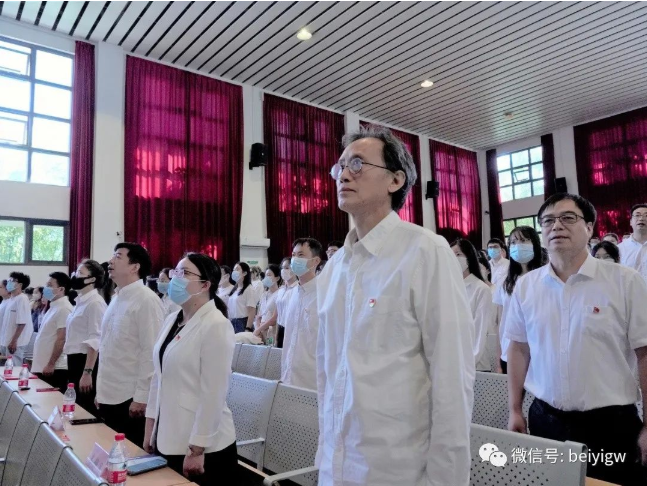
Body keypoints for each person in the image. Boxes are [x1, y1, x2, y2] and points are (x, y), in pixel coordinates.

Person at [317, 126, 474, 485]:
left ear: (395, 180)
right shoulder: (335, 268)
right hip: (337, 466)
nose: (343, 174)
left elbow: (452, 376)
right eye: (340, 166)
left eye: (358, 164)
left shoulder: (425, 251)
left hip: (397, 470)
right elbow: (329, 375)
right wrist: (325, 457)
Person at [506, 193, 647, 484]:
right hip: (546, 420)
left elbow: (645, 354)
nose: (556, 226)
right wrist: (515, 409)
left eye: (568, 218)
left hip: (610, 424)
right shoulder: (527, 286)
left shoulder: (625, 281)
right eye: (548, 221)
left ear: (590, 227)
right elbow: (518, 349)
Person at [145, 253, 238, 485]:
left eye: (185, 273)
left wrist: (197, 448)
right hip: (169, 432)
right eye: (176, 272)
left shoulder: (216, 324)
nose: (176, 278)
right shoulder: (172, 320)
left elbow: (213, 392)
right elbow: (158, 377)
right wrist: (150, 427)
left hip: (203, 445)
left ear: (205, 285)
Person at [97, 243, 165, 447]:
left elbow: (151, 352)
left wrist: (142, 397)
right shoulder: (116, 298)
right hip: (109, 391)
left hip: (129, 397)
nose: (111, 261)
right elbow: (107, 347)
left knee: (129, 455)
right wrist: (101, 390)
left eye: (118, 256)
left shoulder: (146, 300)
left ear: (135, 267)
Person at [492, 226, 544, 374]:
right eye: (513, 242)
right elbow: (500, 321)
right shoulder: (505, 282)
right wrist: (498, 356)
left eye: (523, 240)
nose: (518, 245)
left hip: (539, 352)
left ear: (534, 244)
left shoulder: (545, 277)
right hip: (509, 352)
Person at [65, 259, 107, 414]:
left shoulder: (95, 303)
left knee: (85, 407)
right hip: (74, 358)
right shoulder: (80, 302)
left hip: (85, 361)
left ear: (91, 279)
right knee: (75, 404)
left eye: (80, 273)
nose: (75, 275)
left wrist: (87, 372)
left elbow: (95, 339)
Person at [281, 238, 322, 390]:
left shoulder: (324, 294)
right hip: (288, 374)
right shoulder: (291, 294)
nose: (295, 259)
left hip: (312, 379)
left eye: (301, 255)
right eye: (293, 255)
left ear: (315, 261)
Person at [451, 239, 494, 372]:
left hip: (475, 363)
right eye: (451, 255)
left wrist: (469, 361)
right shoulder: (449, 288)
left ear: (469, 258)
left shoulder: (481, 289)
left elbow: (480, 330)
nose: (454, 258)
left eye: (458, 254)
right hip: (453, 360)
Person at [32, 272, 73, 390]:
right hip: (43, 365)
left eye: (50, 285)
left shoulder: (64, 308)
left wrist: (51, 364)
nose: (46, 288)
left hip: (54, 368)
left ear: (61, 289)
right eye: (46, 284)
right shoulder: (54, 306)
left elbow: (62, 339)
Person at [1, 272, 32, 365]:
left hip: (16, 343)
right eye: (9, 280)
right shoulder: (11, 299)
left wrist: (14, 341)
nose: (9, 282)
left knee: (15, 367)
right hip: (7, 340)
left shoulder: (22, 299)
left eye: (12, 280)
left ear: (20, 285)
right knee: (7, 367)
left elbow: (22, 323)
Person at [253, 264, 282, 343]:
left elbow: (274, 318)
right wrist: (258, 329)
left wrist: (259, 329)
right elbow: (259, 315)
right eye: (265, 275)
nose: (266, 278)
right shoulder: (264, 294)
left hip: (272, 330)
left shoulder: (280, 294)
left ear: (277, 278)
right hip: (261, 331)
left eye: (269, 275)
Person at [618, 204, 647, 281]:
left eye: (646, 216)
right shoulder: (620, 248)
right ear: (631, 222)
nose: (641, 219)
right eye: (637, 215)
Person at [226, 262, 256, 333]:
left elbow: (251, 310)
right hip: (232, 321)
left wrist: (248, 328)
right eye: (234, 270)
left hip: (242, 322)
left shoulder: (249, 289)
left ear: (244, 273)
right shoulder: (235, 288)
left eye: (237, 269)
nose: (234, 272)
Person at [275, 257, 298, 348]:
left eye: (287, 268)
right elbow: (279, 314)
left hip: (291, 329)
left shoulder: (297, 289)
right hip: (281, 327)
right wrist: (276, 334)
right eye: (282, 268)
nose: (284, 270)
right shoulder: (281, 290)